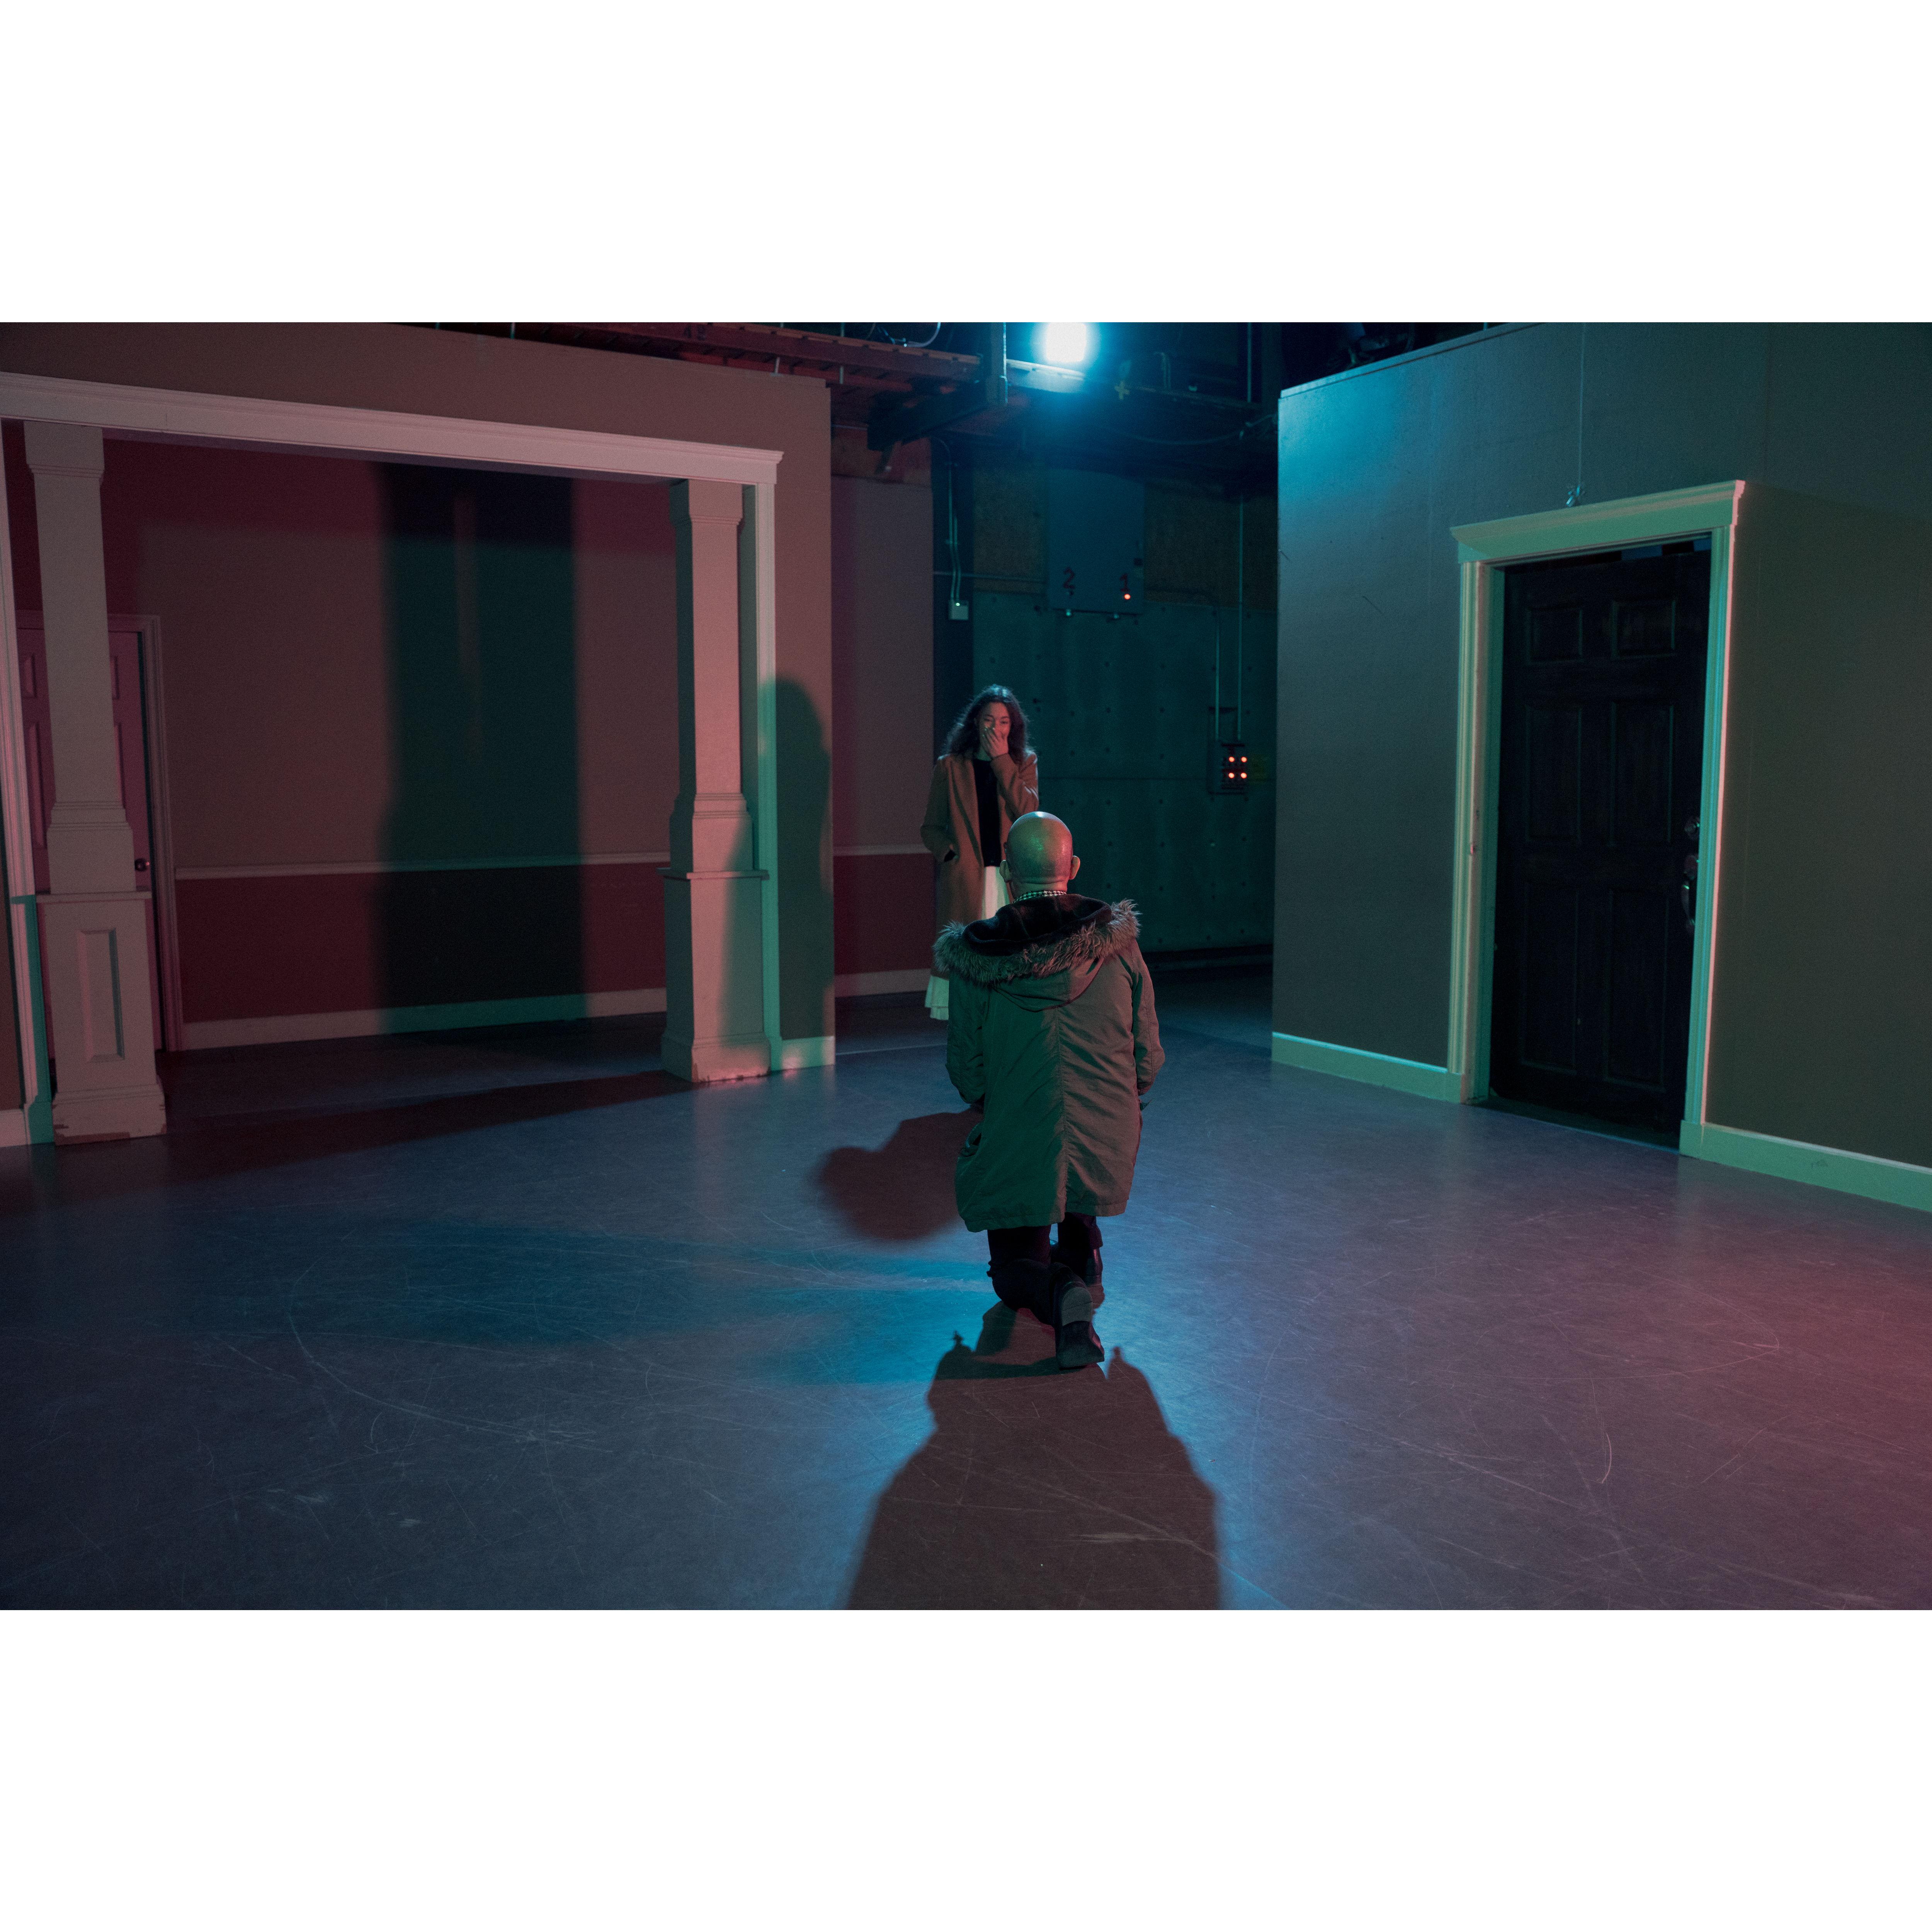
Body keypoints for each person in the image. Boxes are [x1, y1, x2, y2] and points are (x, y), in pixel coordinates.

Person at [935, 811, 1163, 1371]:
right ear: (1074, 868)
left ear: (1008, 873)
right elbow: (1147, 1059)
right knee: (1081, 1133)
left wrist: (1009, 1101)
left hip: (1023, 1140)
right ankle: (1081, 1250)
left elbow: (969, 1075)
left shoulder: (977, 961)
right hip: (1108, 1139)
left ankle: (1061, 1293)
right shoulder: (1120, 948)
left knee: (1012, 1273)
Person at [919, 686, 1039, 1022]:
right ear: (976, 722)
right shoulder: (950, 766)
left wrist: (1002, 762)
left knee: (1008, 958)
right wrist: (950, 854)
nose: (995, 728)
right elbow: (931, 827)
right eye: (989, 720)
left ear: (1013, 727)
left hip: (1008, 880)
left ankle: (1005, 1027)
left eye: (1004, 722)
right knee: (968, 960)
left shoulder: (1024, 762)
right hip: (966, 881)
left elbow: (1028, 812)